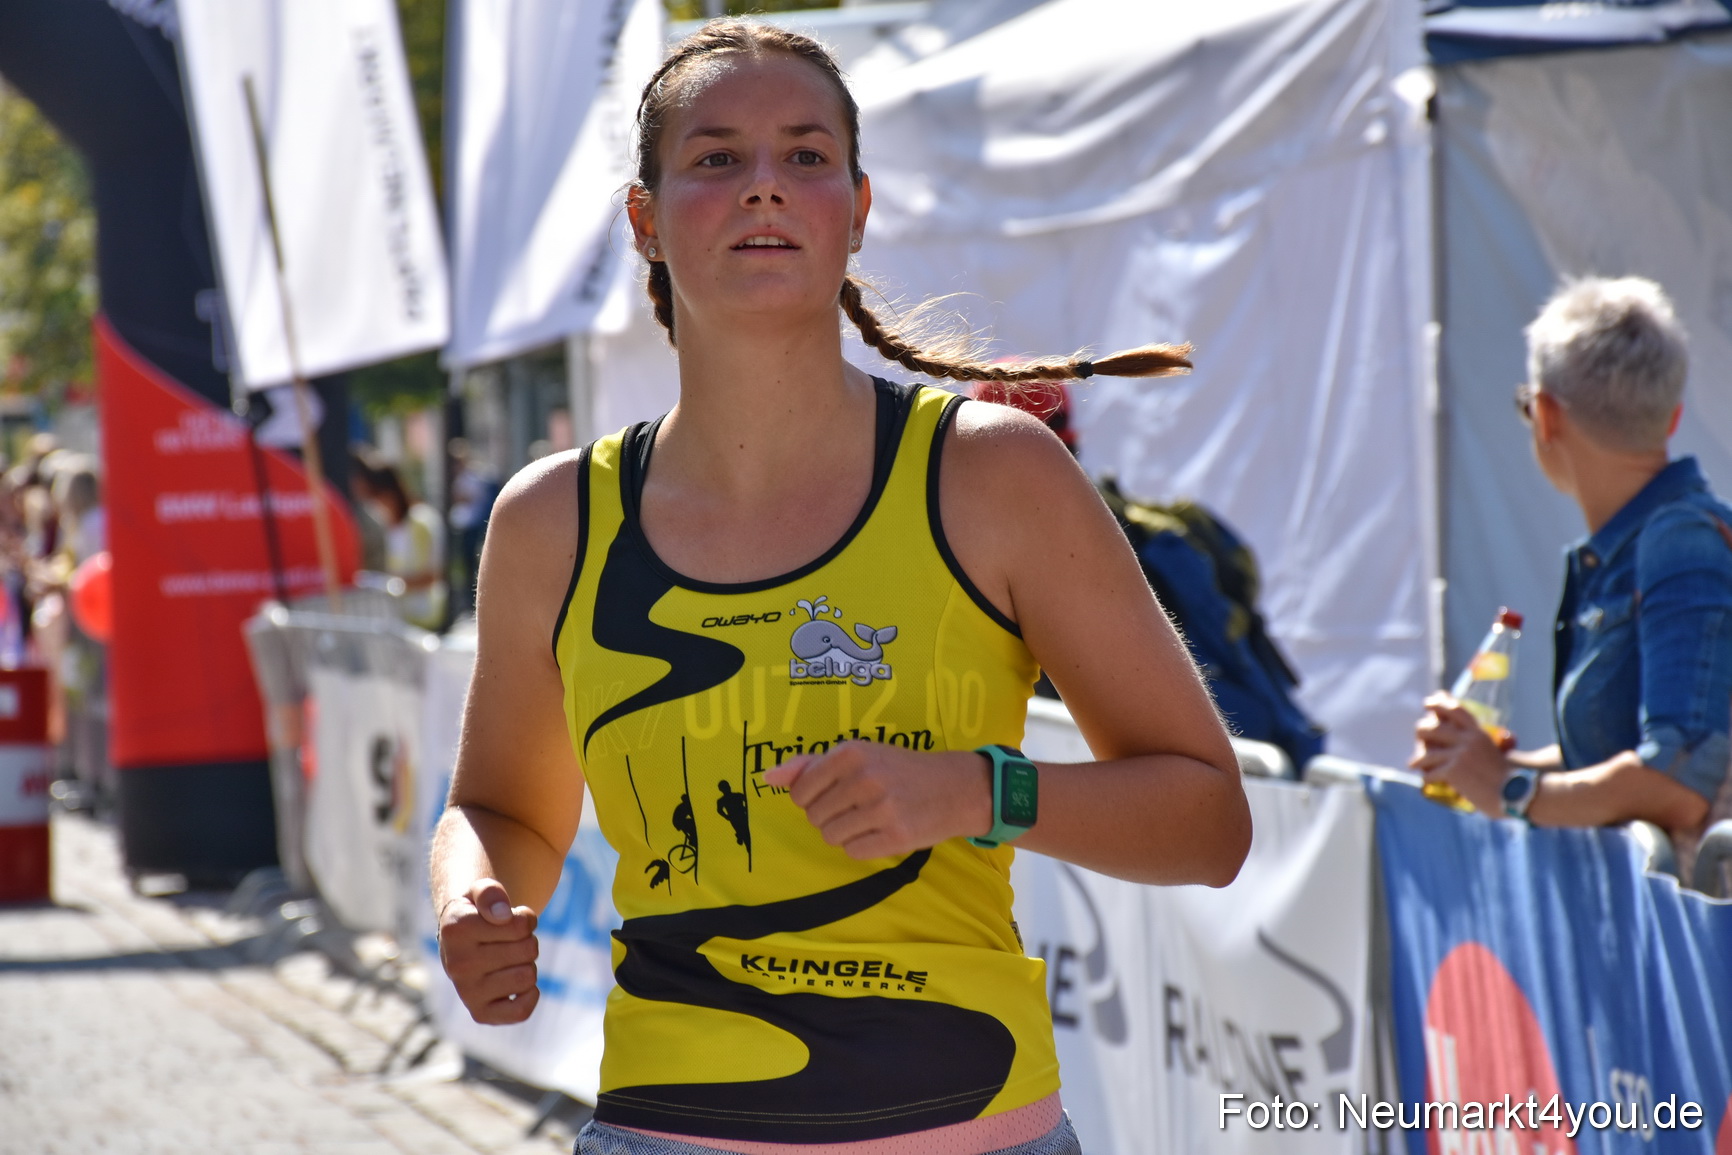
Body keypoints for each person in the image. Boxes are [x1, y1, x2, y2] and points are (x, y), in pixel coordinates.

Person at [431, 20, 1250, 1155]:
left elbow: (1208, 821)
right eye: (716, 158)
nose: (764, 187)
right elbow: (505, 814)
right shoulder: (551, 520)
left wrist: (978, 792)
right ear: (646, 221)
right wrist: (472, 899)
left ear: (856, 210)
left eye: (805, 157)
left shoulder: (993, 473)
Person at [1412, 277, 1732, 878]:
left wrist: (1509, 789)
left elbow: (1677, 779)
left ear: (1548, 416)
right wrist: (1495, 765)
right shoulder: (1642, 543)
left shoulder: (1677, 542)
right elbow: (1622, 757)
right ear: (1672, 416)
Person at [353, 456, 447, 630]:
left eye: (377, 495)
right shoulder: (378, 526)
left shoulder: (423, 521)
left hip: (424, 620)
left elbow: (433, 575)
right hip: (391, 620)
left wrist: (390, 585)